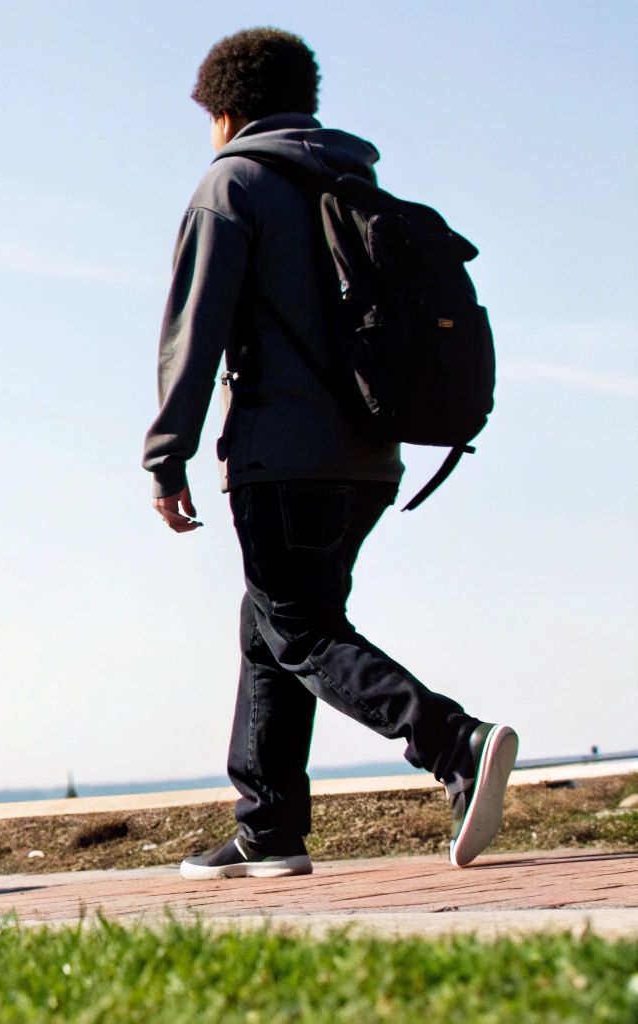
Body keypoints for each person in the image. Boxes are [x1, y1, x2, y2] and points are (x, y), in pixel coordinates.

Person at [142, 27, 518, 879]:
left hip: (283, 457)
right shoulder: (354, 183)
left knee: (302, 629)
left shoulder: (231, 183)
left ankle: (451, 741)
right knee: (269, 626)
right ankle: (268, 827)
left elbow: (191, 334)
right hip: (371, 459)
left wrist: (167, 456)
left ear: (225, 111)